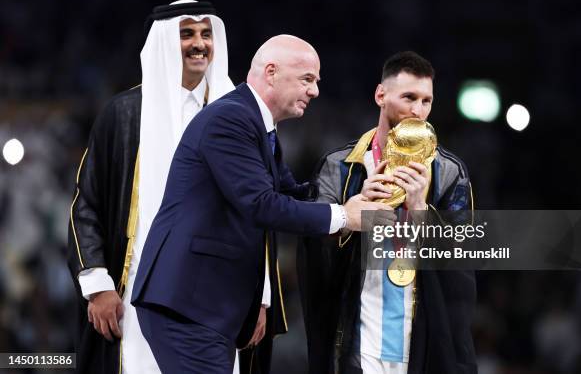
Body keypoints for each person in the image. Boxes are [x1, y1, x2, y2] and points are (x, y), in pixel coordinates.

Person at [130, 35, 392, 374]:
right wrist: (344, 216)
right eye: (307, 79)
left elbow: (295, 193)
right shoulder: (231, 120)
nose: (314, 91)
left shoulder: (256, 125)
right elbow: (262, 204)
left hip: (204, 304)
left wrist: (354, 189)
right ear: (271, 72)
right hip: (187, 302)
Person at [66, 0, 237, 374]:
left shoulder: (234, 115)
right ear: (163, 41)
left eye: (206, 34)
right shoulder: (124, 114)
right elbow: (87, 204)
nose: (199, 43)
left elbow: (255, 209)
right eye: (186, 33)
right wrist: (98, 284)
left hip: (218, 300)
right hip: (138, 298)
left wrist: (261, 298)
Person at [298, 51, 477, 374]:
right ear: (381, 95)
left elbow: (463, 259)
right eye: (409, 97)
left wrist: (423, 212)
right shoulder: (340, 167)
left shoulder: (449, 172)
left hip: (420, 337)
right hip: (357, 336)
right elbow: (312, 252)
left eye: (426, 101)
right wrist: (350, 216)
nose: (418, 111)